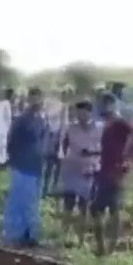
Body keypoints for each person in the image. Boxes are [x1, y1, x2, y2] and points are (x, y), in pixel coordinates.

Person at [92, 95, 133, 256]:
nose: (101, 108)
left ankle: (109, 248)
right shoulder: (104, 125)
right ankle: (101, 247)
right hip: (103, 169)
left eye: (105, 105)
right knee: (98, 209)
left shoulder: (120, 123)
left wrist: (128, 158)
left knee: (111, 210)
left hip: (115, 171)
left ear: (112, 105)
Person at [0, 87, 48, 247]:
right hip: (22, 166)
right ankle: (14, 234)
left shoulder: (41, 120)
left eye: (39, 98)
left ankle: (29, 234)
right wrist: (14, 161)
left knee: (32, 201)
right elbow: (11, 142)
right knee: (18, 201)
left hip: (36, 166)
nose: (36, 102)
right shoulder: (21, 120)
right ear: (29, 100)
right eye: (33, 98)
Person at [59, 100, 101, 246]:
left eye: (83, 112)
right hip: (71, 169)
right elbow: (64, 145)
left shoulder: (98, 129)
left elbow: (104, 149)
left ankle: (81, 239)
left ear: (90, 113)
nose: (80, 115)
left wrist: (91, 153)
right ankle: (63, 236)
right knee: (68, 204)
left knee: (84, 206)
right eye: (78, 113)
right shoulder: (71, 128)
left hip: (89, 170)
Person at [41, 88, 72, 196]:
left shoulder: (64, 107)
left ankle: (52, 188)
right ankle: (47, 188)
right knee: (51, 165)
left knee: (57, 166)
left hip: (58, 137)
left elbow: (65, 124)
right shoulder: (58, 106)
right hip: (54, 136)